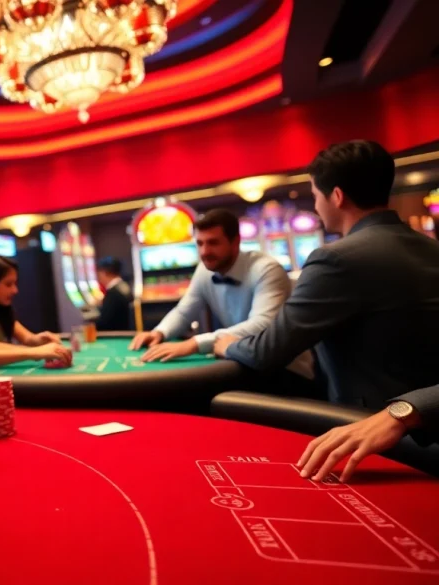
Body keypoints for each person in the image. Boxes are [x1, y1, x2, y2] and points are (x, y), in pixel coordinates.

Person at [214, 140, 439, 482]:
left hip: (378, 445)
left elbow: (266, 352)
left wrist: (225, 344)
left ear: (336, 196)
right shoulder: (431, 248)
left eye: (315, 196)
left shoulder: (335, 259)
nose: (316, 207)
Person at [127, 209, 315, 382]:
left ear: (235, 242)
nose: (204, 252)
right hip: (245, 363)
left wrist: (196, 343)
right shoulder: (205, 270)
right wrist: (160, 332)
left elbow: (262, 325)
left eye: (213, 243)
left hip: (287, 371)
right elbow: (184, 312)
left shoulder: (266, 270)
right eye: (200, 243)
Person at [93, 256, 132, 331]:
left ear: (103, 273)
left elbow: (104, 323)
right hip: (125, 331)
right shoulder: (124, 286)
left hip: (115, 335)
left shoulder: (112, 294)